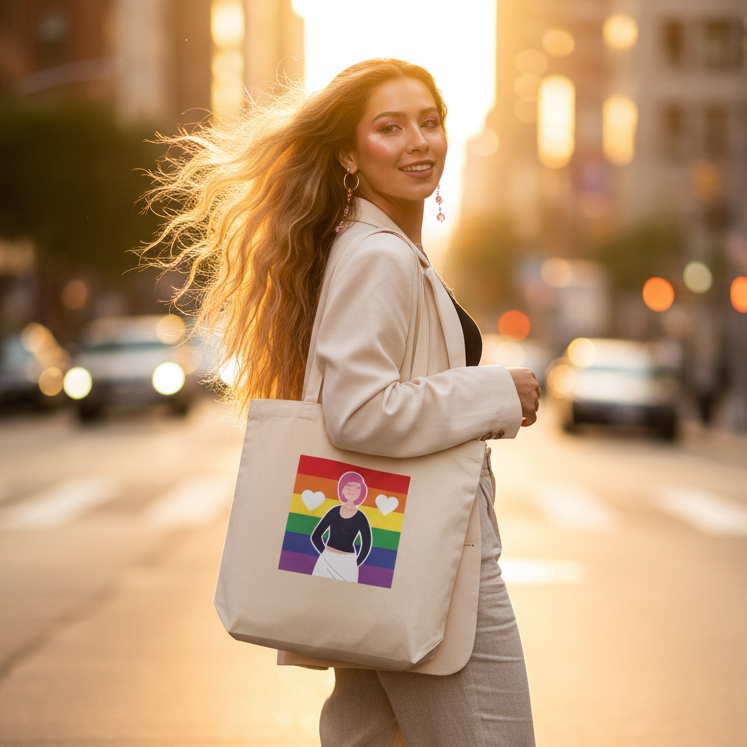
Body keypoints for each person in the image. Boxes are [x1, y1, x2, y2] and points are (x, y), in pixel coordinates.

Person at [146, 58, 540, 747]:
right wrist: (494, 390)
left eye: (430, 121)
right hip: (432, 561)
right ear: (348, 154)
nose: (419, 141)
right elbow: (357, 410)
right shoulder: (377, 256)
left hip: (393, 558)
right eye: (389, 128)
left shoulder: (377, 247)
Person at [311, 471, 373, 582]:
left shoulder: (361, 517)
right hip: (326, 560)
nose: (352, 490)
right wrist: (326, 554)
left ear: (362, 491)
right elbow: (315, 536)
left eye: (357, 487)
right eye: (348, 486)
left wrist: (354, 563)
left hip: (348, 562)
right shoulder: (334, 511)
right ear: (342, 489)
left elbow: (367, 544)